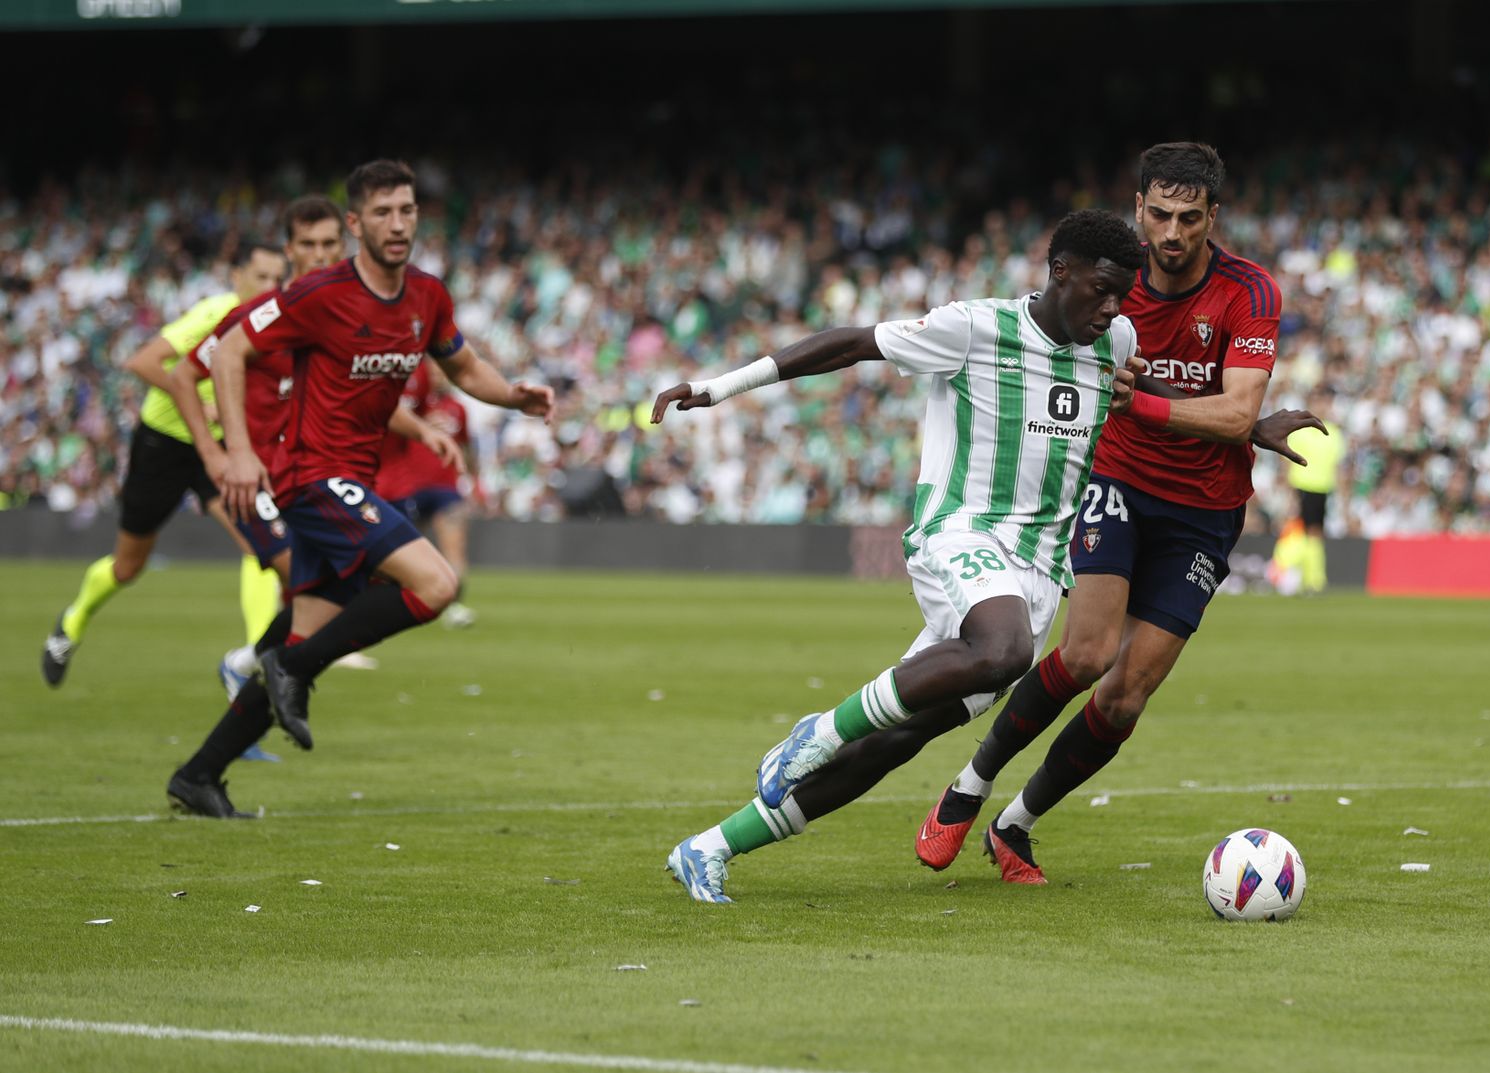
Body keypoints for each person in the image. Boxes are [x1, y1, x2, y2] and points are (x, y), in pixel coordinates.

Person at [653, 209, 1146, 903]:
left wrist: (1238, 423)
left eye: (1122, 295)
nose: (1113, 308)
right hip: (963, 533)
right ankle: (820, 729)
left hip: (1038, 573)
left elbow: (1139, 391)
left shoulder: (1117, 341)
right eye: (1101, 290)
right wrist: (718, 387)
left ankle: (709, 847)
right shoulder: (975, 328)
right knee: (1002, 650)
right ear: (1060, 272)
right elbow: (852, 344)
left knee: (894, 740)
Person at [916, 142, 1325, 882]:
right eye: (1160, 215)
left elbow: (1236, 413)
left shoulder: (1249, 291)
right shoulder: (1110, 281)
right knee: (1087, 654)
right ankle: (969, 787)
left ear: (1213, 217)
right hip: (1118, 480)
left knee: (1126, 696)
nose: (1172, 233)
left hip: (1206, 511)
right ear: (1139, 208)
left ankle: (1016, 824)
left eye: (1189, 219)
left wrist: (1159, 406)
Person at [164, 159, 554, 818]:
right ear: (356, 223)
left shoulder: (426, 296)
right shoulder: (318, 295)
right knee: (436, 584)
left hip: (352, 483)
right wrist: (234, 453)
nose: (397, 224)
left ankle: (199, 774)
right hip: (310, 478)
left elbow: (464, 367)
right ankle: (293, 670)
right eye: (382, 212)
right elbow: (227, 350)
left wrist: (513, 396)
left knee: (301, 637)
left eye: (407, 210)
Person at [168, 196, 463, 765]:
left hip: (318, 481)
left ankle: (208, 758)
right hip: (269, 483)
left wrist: (422, 429)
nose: (321, 255)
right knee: (324, 598)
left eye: (330, 244)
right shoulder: (265, 315)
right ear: (290, 250)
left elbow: (367, 393)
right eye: (309, 245)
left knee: (313, 617)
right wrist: (216, 454)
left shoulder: (340, 311)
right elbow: (185, 373)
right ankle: (265, 662)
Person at [40, 242, 287, 687]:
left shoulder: (273, 322)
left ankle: (257, 661)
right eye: (261, 277)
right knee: (127, 566)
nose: (270, 287)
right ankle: (72, 622)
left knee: (259, 545)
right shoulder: (215, 314)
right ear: (236, 276)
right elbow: (143, 362)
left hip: (217, 448)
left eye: (278, 279)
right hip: (164, 444)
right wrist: (202, 406)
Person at [376, 357, 478, 629]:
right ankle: (397, 603)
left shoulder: (457, 408)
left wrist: (474, 482)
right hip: (408, 487)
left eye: (441, 371)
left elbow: (468, 448)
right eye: (432, 371)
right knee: (400, 553)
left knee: (454, 549)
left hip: (446, 487)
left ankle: (453, 605)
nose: (437, 376)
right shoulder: (406, 406)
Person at [1276, 384, 1344, 594]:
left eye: (1326, 402)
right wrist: (1289, 492)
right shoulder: (1301, 431)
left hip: (1323, 488)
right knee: (1302, 531)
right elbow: (1287, 462)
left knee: (1314, 533)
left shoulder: (1334, 432)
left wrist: (1341, 495)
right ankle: (1295, 575)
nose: (1323, 406)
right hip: (1302, 486)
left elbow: (1337, 466)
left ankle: (1311, 579)